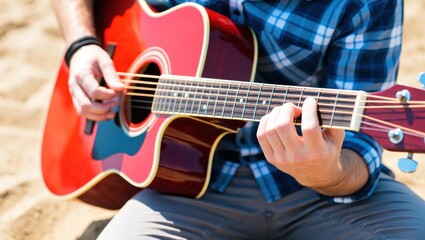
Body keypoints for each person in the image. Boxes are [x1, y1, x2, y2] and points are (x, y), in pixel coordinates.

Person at [52, 0, 425, 239]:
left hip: (315, 192)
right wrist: (82, 46)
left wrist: (325, 172)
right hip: (187, 184)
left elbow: (360, 150)